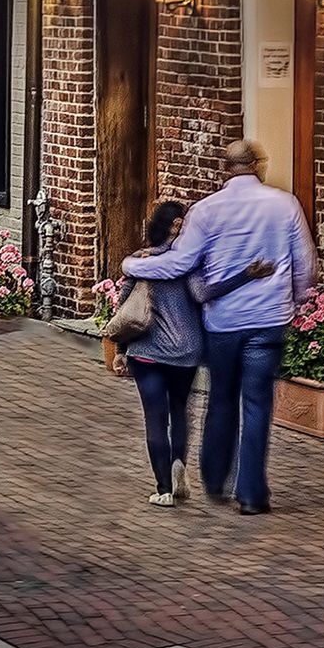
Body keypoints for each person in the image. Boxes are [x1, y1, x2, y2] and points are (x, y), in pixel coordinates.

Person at [123, 141, 319, 516]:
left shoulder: (206, 211)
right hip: (268, 320)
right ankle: (252, 494)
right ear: (258, 165)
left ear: (226, 168)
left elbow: (179, 263)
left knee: (222, 398)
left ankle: (215, 478)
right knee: (258, 403)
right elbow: (306, 267)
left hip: (224, 323)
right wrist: (293, 302)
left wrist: (132, 266)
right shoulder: (285, 205)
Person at [114, 200, 208, 508]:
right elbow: (201, 295)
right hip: (187, 350)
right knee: (180, 410)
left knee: (155, 418)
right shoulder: (191, 262)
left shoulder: (143, 261)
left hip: (147, 352)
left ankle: (164, 489)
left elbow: (126, 309)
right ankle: (179, 462)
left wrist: (120, 350)